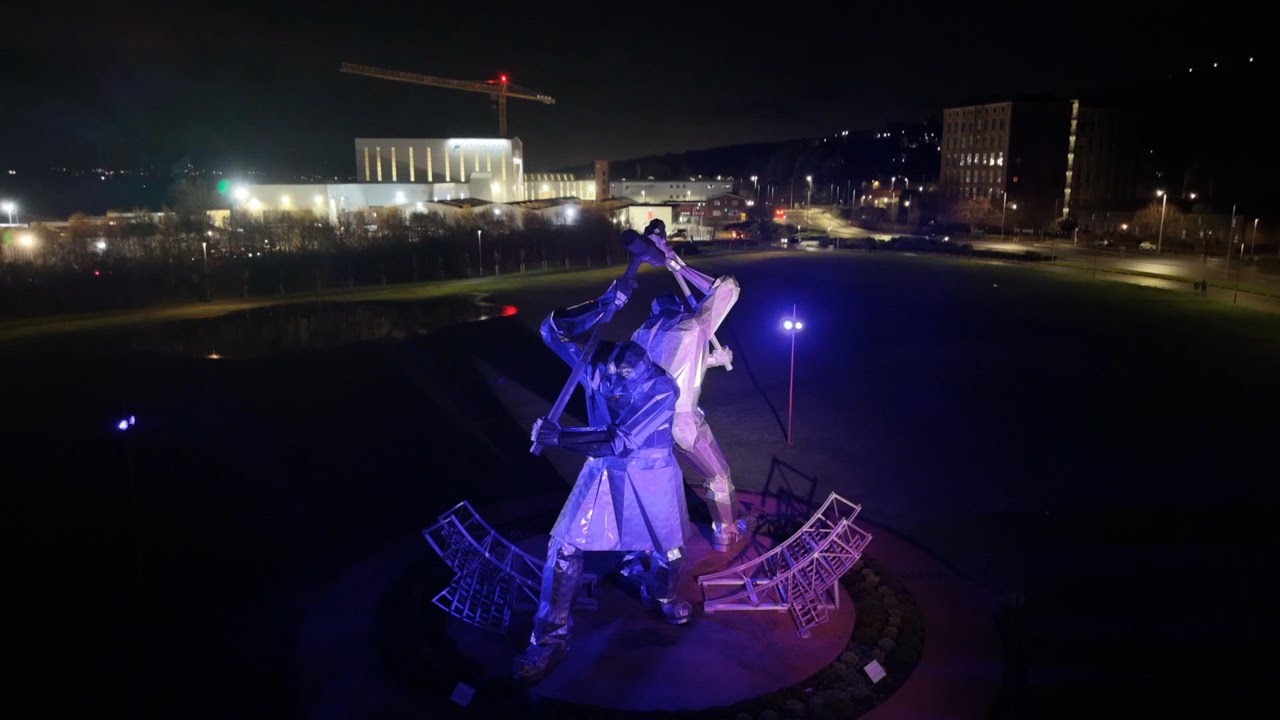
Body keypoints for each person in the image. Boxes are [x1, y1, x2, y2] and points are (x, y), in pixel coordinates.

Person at [516, 275, 690, 683]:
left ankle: (661, 594)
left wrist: (560, 437)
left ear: (642, 372)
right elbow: (552, 330)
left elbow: (620, 439)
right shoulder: (600, 366)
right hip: (603, 470)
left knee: (669, 551)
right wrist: (603, 303)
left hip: (651, 474)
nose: (611, 386)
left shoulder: (661, 389)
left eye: (622, 380)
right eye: (609, 378)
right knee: (564, 545)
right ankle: (549, 639)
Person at [630, 219, 744, 550]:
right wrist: (676, 262)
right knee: (718, 477)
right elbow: (728, 287)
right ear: (679, 307)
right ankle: (725, 533)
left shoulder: (640, 335)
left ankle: (649, 543)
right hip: (684, 421)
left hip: (647, 423)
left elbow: (670, 370)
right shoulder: (693, 326)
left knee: (655, 484)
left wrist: (711, 360)